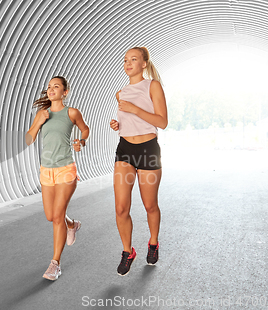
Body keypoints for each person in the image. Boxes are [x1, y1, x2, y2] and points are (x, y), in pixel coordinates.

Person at [109, 47, 168, 276]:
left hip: (147, 150)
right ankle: (127, 251)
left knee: (149, 205)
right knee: (121, 208)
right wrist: (118, 125)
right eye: (125, 60)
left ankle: (153, 243)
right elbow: (129, 122)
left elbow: (161, 122)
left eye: (133, 59)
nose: (128, 63)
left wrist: (134, 109)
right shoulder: (120, 92)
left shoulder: (152, 85)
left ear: (144, 64)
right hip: (125, 149)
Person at [26, 76, 89, 281]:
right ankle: (72, 224)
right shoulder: (42, 114)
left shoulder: (71, 113)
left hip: (66, 169)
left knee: (57, 216)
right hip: (47, 170)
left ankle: (55, 264)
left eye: (56, 86)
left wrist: (81, 141)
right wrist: (38, 122)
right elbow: (28, 139)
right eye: (49, 87)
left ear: (65, 92)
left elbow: (85, 128)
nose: (51, 89)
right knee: (51, 216)